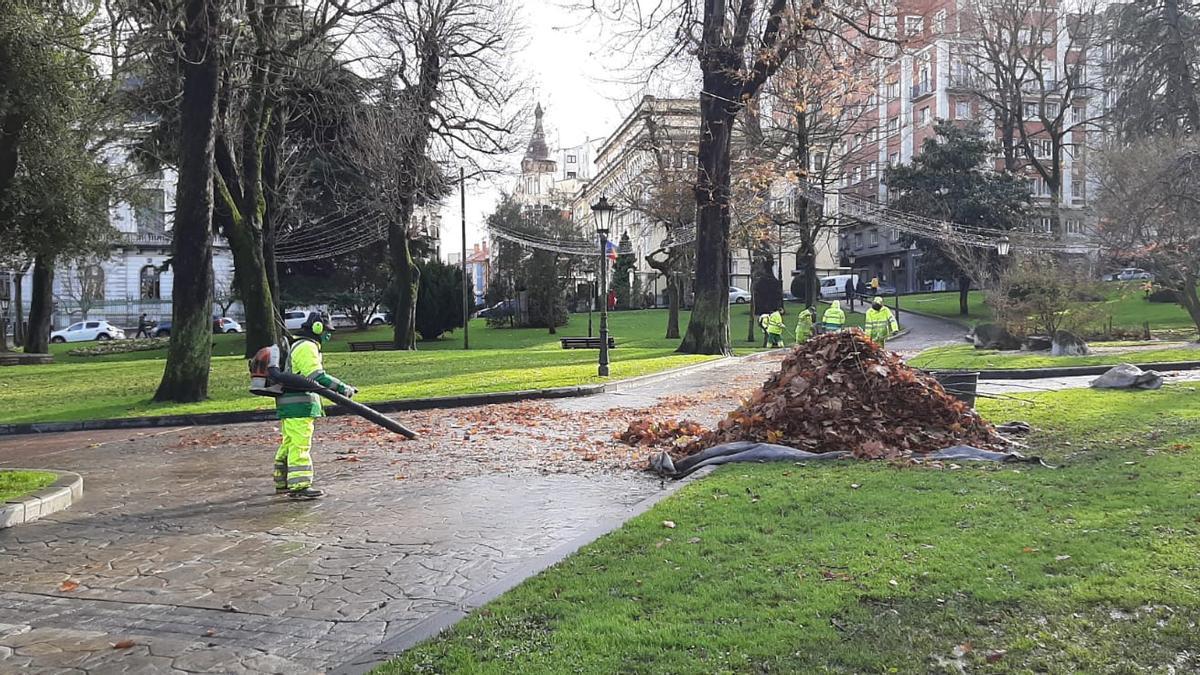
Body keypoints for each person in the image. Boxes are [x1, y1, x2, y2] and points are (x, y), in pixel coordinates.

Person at [274, 311, 357, 500]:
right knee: (300, 444)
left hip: (290, 404)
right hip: (299, 405)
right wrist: (343, 388)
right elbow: (316, 376)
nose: (328, 334)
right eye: (326, 330)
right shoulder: (306, 347)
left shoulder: (300, 345)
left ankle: (282, 482)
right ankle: (299, 486)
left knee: (289, 443)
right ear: (317, 328)